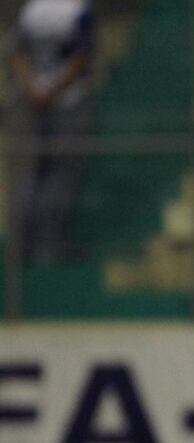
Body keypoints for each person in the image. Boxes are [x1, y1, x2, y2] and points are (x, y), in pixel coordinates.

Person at [10, 0, 95, 263]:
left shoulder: (32, 10)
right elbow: (81, 59)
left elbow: (17, 54)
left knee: (34, 173)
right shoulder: (77, 10)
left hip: (35, 100)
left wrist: (34, 89)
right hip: (66, 101)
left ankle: (23, 244)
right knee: (60, 175)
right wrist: (53, 91)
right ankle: (49, 246)